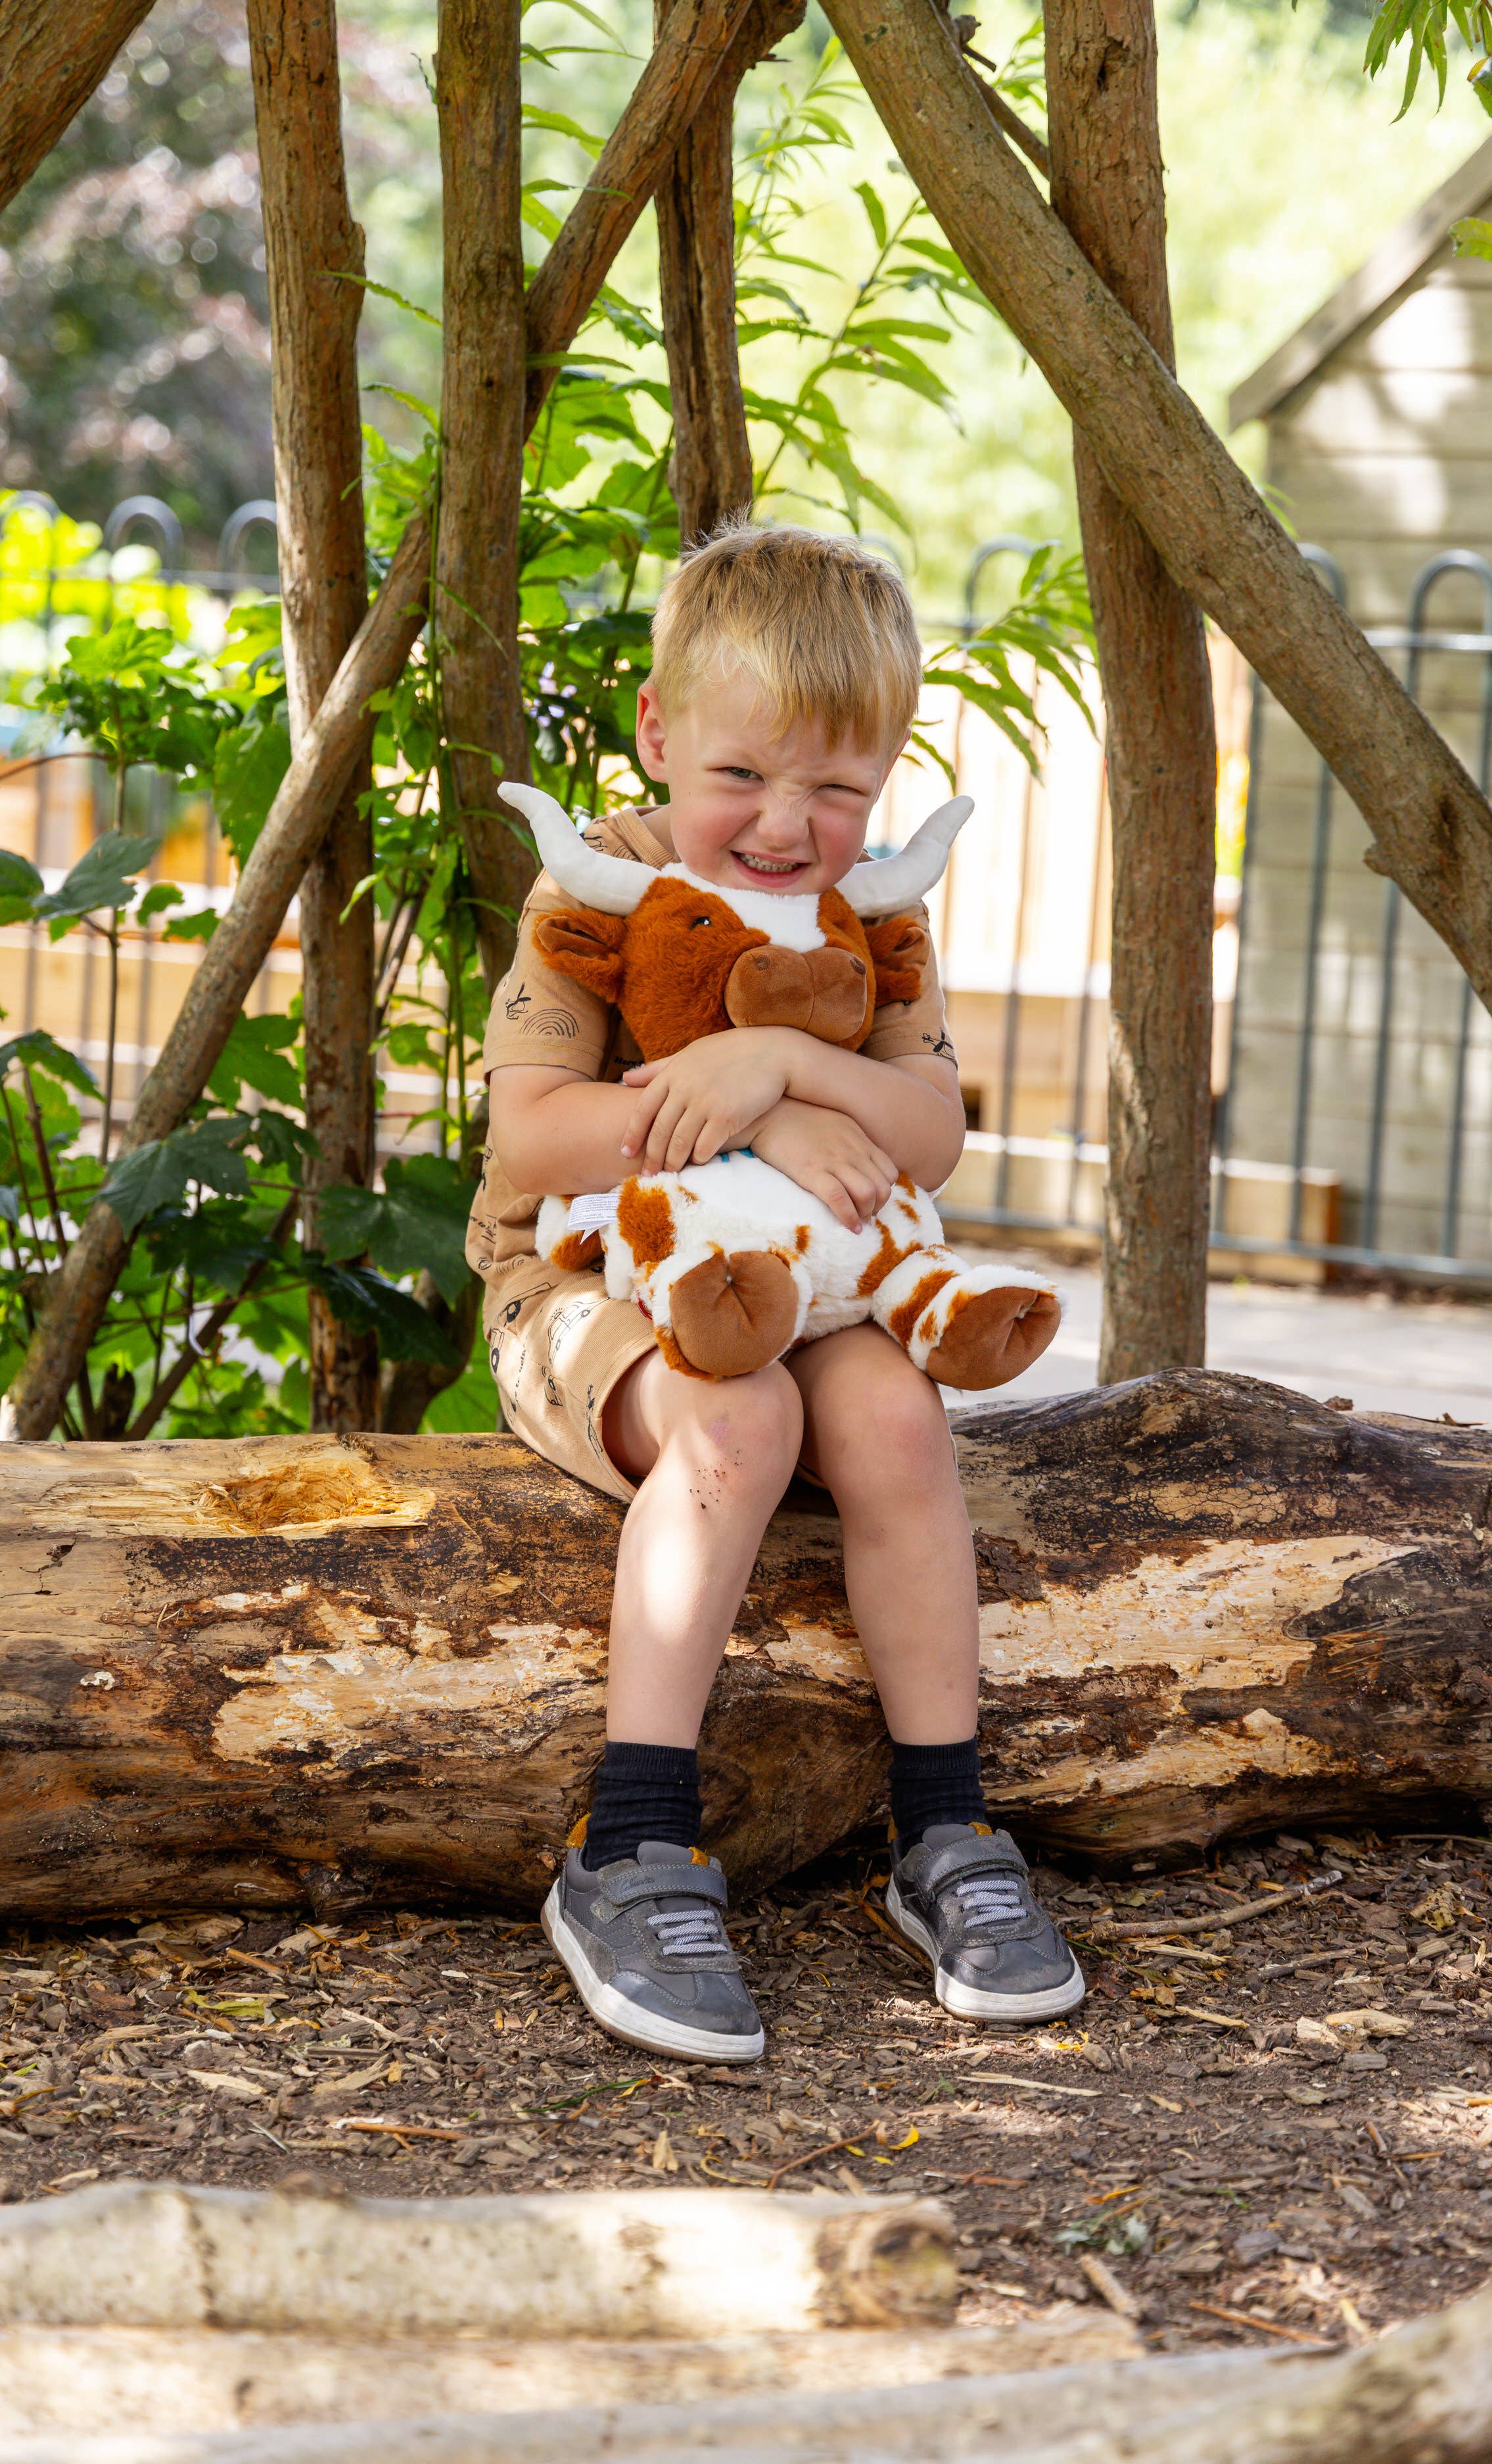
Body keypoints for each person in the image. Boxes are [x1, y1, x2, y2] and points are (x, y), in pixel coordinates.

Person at [471, 523, 1084, 2063]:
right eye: (742, 774)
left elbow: (931, 1126)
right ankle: (630, 1842)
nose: (782, 826)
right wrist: (754, 1116)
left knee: (895, 1425)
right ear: (659, 735)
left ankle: (945, 1830)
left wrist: (789, 1063)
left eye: (834, 789)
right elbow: (531, 1132)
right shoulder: (596, 889)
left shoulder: (872, 915)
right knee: (735, 1428)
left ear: (882, 781)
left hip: (812, 1284)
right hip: (584, 1281)